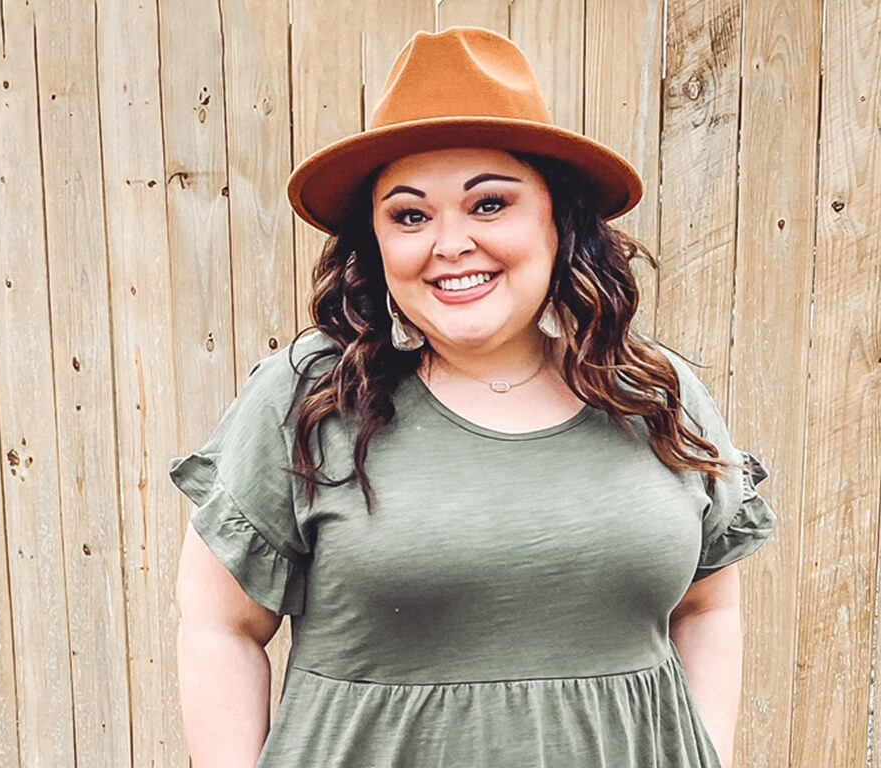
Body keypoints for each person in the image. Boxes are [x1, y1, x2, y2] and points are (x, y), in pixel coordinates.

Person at [171, 25, 776, 767]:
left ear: (560, 220)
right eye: (411, 215)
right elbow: (219, 622)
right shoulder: (312, 398)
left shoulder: (656, 393)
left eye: (489, 204)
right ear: (378, 242)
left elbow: (708, 606)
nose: (449, 242)